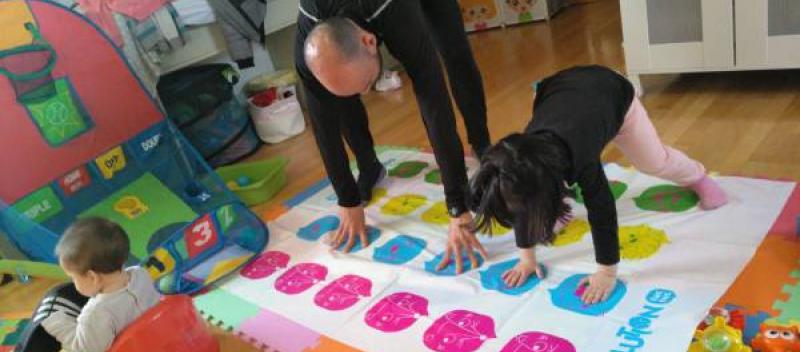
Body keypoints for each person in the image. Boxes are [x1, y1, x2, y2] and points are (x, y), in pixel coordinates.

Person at [469, 65, 728, 304]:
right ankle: (550, 206)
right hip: (561, 90)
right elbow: (521, 199)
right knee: (527, 193)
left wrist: (606, 272)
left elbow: (602, 210)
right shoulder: (519, 156)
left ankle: (697, 176)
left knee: (653, 162)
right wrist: (526, 259)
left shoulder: (580, 157)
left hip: (612, 94)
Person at [296, 0, 491, 271]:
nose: (366, 94)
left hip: (386, 7)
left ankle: (482, 143)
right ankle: (369, 167)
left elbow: (433, 102)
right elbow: (323, 124)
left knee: (454, 52)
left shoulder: (395, 15)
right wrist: (347, 198)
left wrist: (457, 205)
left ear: (369, 41)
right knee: (340, 99)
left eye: (366, 85)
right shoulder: (308, 37)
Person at [40, 217, 160, 352]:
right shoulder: (141, 274)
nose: (72, 282)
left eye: (73, 277)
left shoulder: (96, 313)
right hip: (156, 340)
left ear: (93, 277)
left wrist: (58, 325)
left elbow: (89, 350)